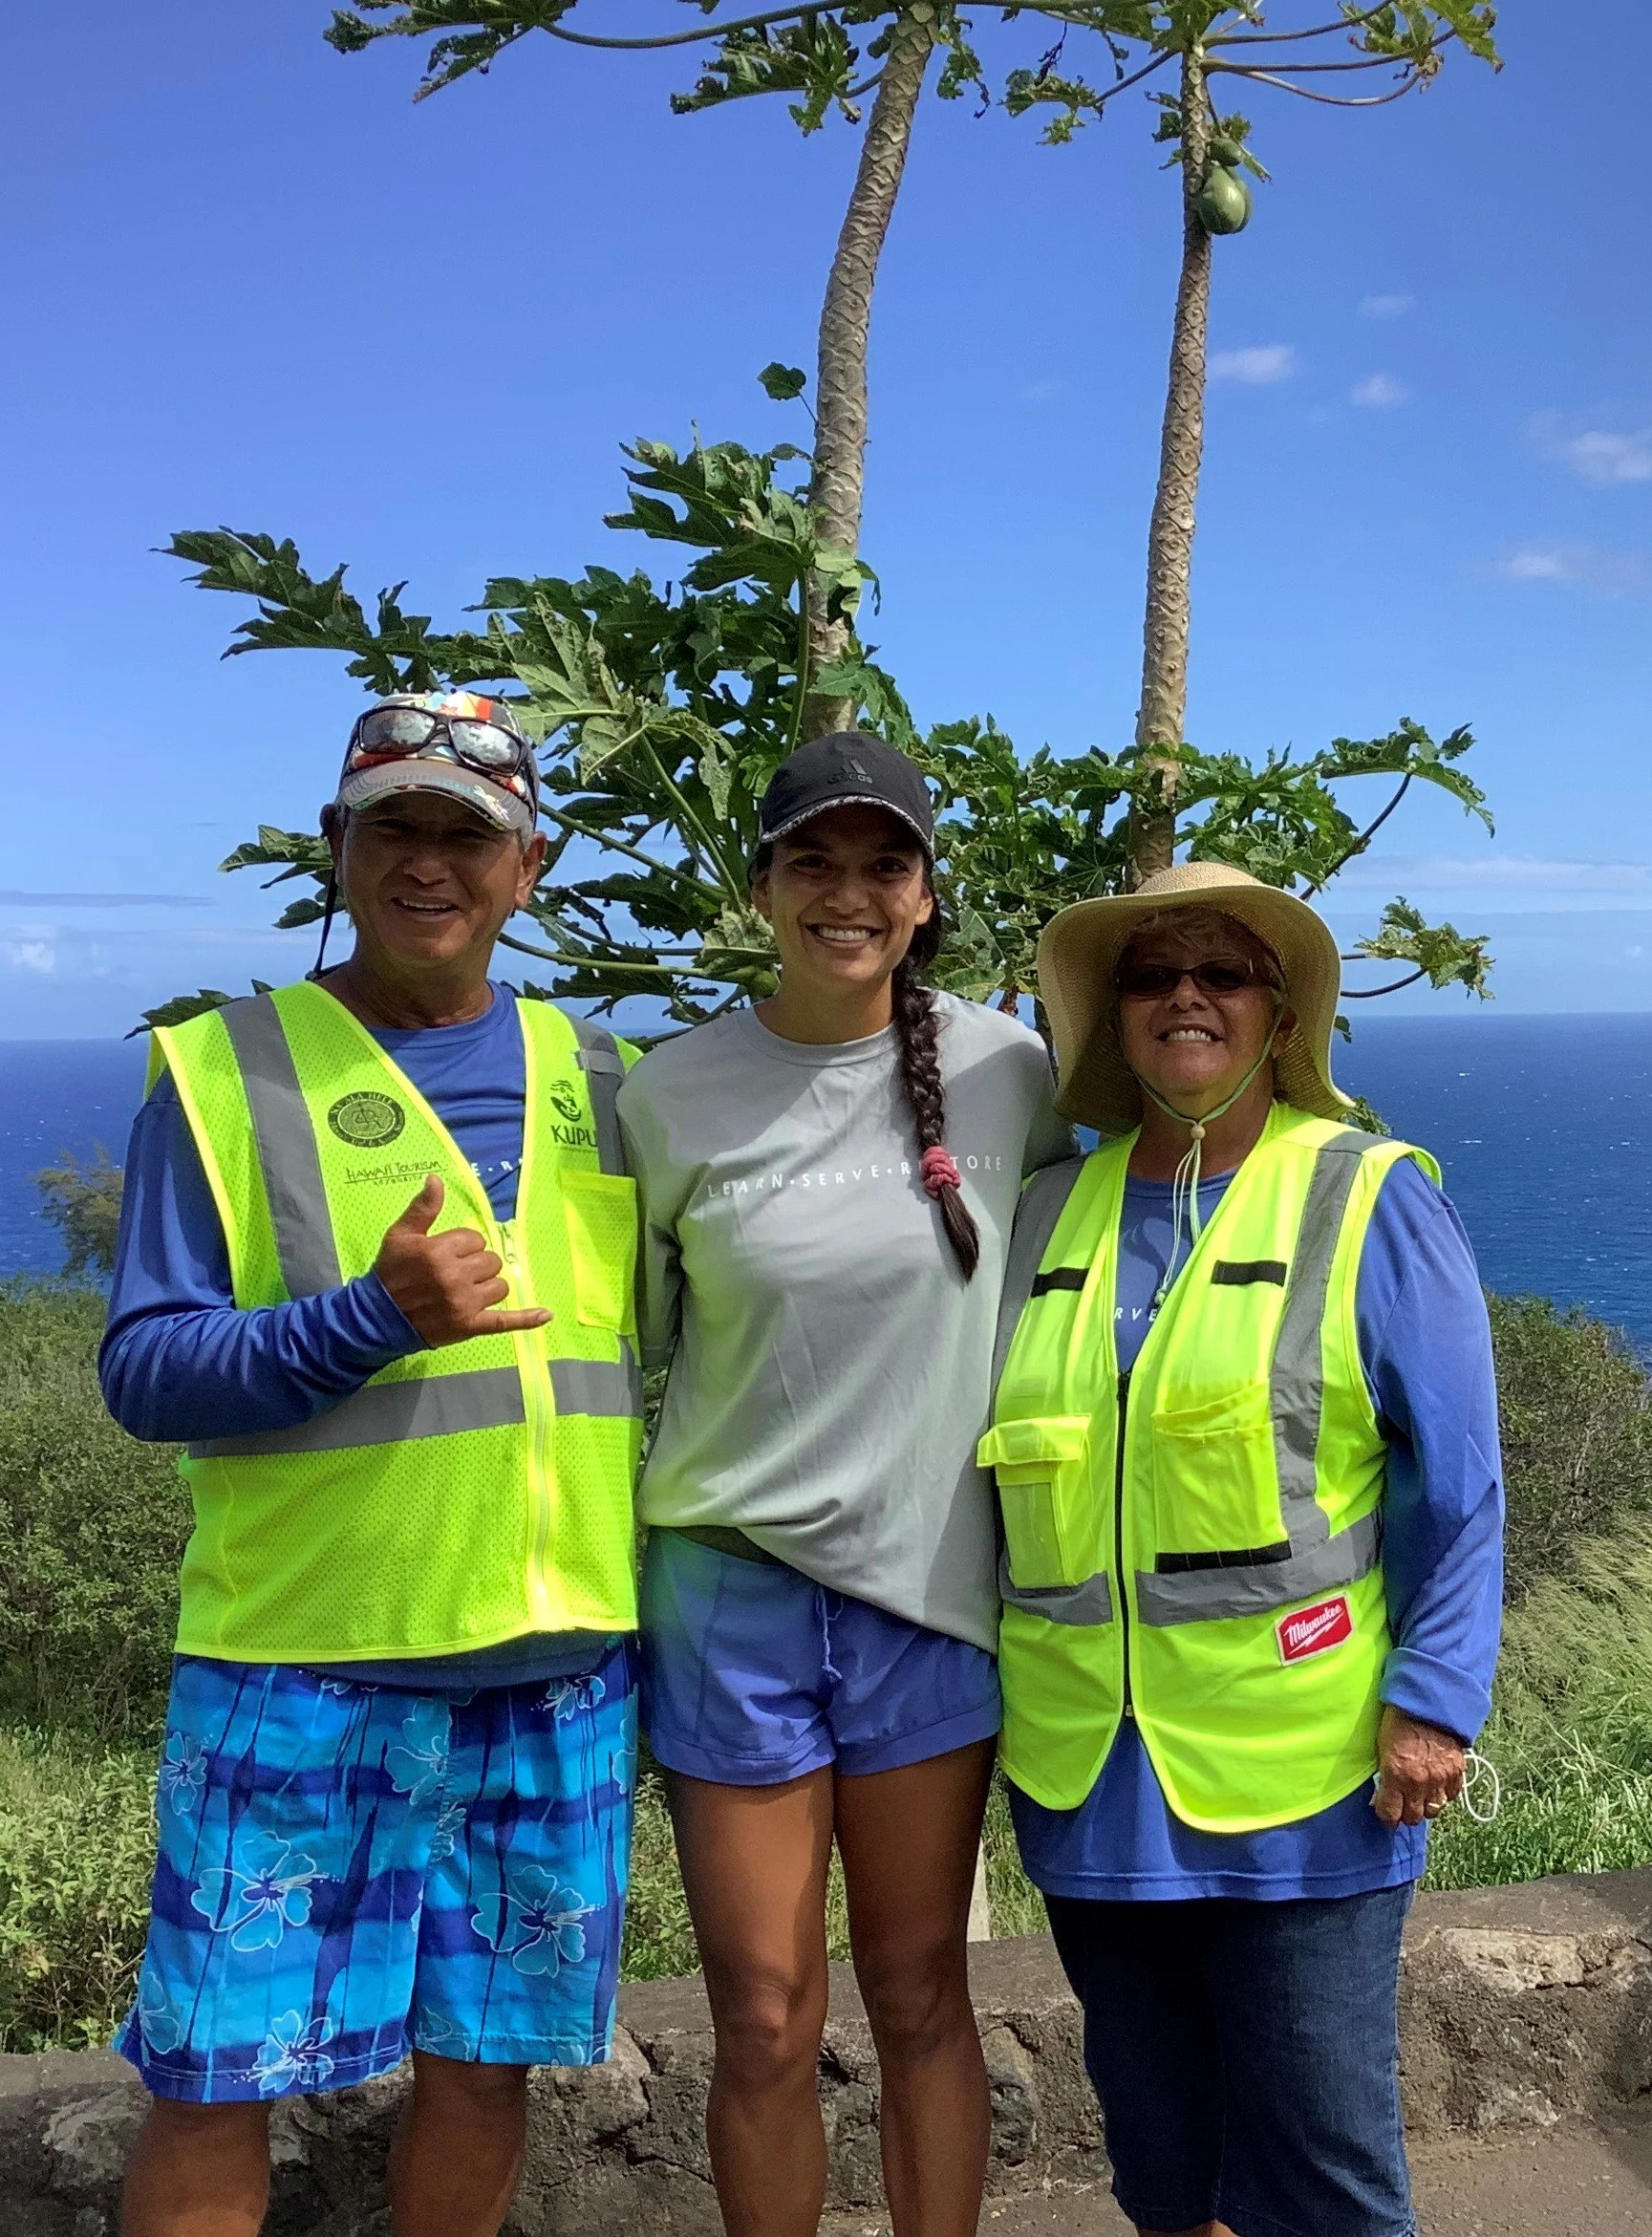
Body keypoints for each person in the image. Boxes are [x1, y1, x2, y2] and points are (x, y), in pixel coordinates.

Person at [100, 691, 644, 2237]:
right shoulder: (218, 1072)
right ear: (337, 849)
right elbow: (143, 1369)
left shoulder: (601, 1079)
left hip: (556, 1671)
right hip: (299, 1664)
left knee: (485, 2071)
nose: (428, 862)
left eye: (465, 835)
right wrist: (368, 1319)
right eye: (392, 826)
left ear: (526, 867)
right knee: (215, 2076)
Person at [979, 860, 1505, 2237]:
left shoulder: (1367, 1193)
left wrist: (1436, 1702)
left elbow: (1456, 1478)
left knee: (1322, 2167)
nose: (1186, 996)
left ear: (1280, 1015)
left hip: (1308, 1779)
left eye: (1225, 972)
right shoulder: (1052, 1213)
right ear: (1113, 1018)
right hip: (1089, 1775)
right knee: (1162, 2169)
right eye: (1152, 975)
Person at [614, 732, 1076, 2237]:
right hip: (728, 1591)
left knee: (919, 1995)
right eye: (814, 862)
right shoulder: (669, 1096)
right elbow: (637, 1354)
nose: (849, 894)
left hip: (928, 1588)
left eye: (884, 864)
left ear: (927, 894)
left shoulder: (1007, 1073)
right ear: (759, 888)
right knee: (758, 2011)